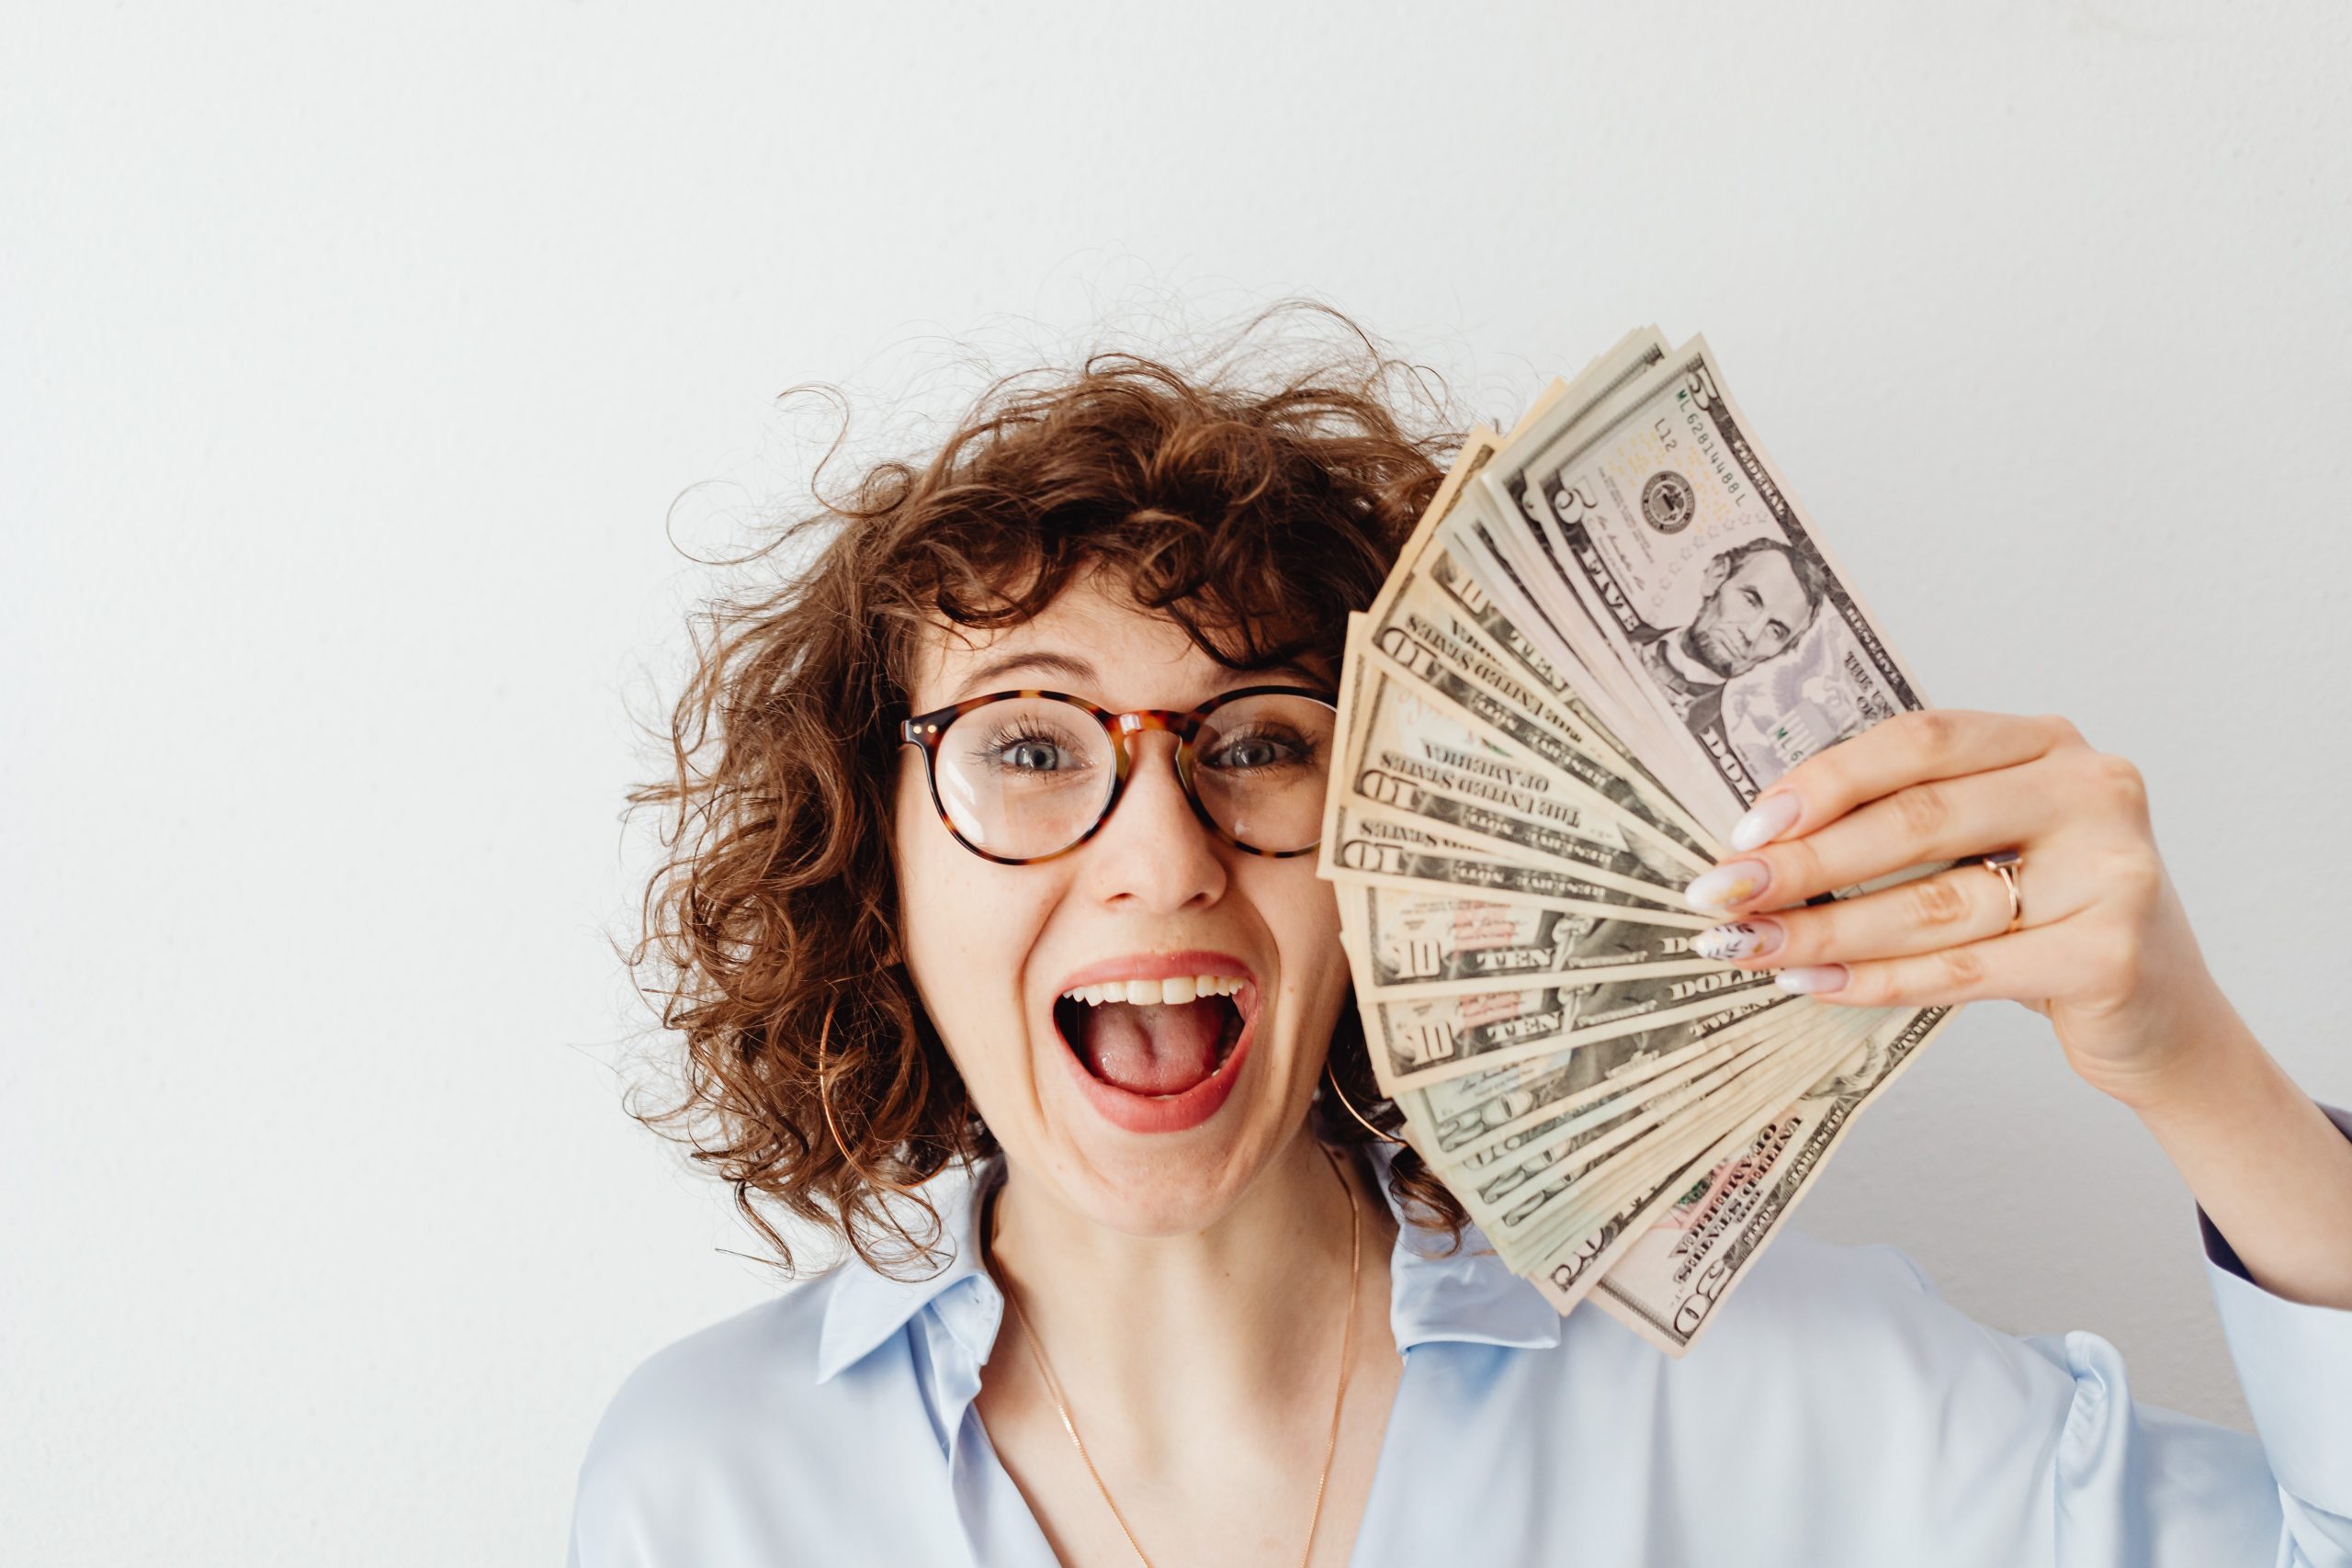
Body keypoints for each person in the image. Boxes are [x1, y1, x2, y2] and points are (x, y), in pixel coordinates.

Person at [567, 308, 2352, 1566]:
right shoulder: (710, 1480)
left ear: (1400, 843)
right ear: (874, 869)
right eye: (1027, 747)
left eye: (1258, 742)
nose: (1156, 853)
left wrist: (2187, 1059)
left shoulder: (1769, 1388)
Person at [1623, 536, 1833, 742]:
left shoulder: (1709, 754)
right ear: (1716, 577)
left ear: (1783, 651)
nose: (1751, 634)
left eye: (1775, 631)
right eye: (1750, 601)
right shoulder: (1620, 628)